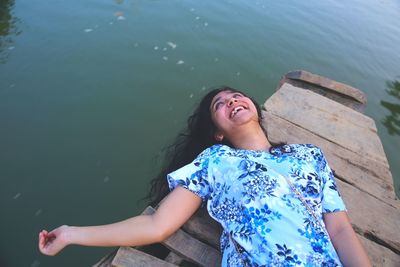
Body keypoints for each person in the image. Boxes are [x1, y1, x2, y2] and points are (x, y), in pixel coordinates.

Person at [39, 87, 371, 266]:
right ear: (217, 133)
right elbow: (157, 226)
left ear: (254, 107)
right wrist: (70, 234)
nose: (232, 101)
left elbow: (339, 228)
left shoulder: (308, 155)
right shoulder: (215, 160)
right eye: (220, 104)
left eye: (236, 96)